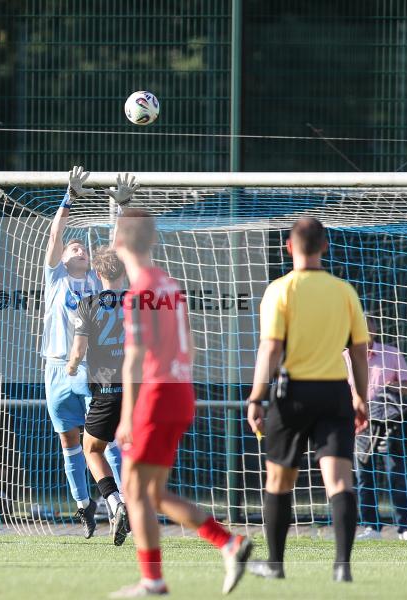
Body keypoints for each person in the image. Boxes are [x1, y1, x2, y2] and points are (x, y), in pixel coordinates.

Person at [111, 208, 251, 598]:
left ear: (118, 243)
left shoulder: (138, 294)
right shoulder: (170, 285)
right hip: (181, 391)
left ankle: (153, 581)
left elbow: (136, 358)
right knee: (152, 493)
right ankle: (228, 544)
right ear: (153, 241)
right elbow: (190, 344)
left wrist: (126, 418)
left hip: (156, 395)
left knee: (134, 490)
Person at [246, 217, 370, 583]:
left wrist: (256, 397)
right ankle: (342, 565)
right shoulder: (344, 290)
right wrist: (360, 397)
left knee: (279, 481)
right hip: (334, 392)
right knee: (339, 481)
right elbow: (360, 352)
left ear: (288, 246)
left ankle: (275, 564)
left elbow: (270, 347)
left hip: (293, 394)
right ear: (325, 247)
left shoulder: (280, 290)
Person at [41, 166, 132, 537]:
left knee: (102, 436)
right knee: (69, 440)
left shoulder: (97, 281)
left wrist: (122, 209)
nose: (78, 247)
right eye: (72, 247)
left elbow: (116, 251)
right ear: (63, 258)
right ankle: (83, 505)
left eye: (82, 246)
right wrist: (69, 196)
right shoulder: (56, 277)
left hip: (87, 368)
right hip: (55, 368)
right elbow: (55, 235)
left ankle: (119, 502)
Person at [67, 246, 130, 546]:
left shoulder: (87, 304)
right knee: (135, 452)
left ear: (98, 273)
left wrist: (71, 365)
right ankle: (136, 508)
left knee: (92, 449)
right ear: (124, 272)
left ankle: (116, 503)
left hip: (106, 391)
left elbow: (78, 351)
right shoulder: (140, 303)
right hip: (139, 390)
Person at [345, 315, 407, 541]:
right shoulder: (343, 358)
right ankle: (372, 527)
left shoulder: (392, 353)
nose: (365, 331)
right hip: (359, 425)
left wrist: (392, 387)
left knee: (396, 473)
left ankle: (405, 529)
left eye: (368, 327)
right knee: (364, 476)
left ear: (375, 330)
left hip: (388, 424)